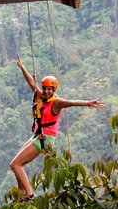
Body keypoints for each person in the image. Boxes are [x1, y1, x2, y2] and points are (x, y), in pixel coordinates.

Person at [10, 55, 105, 201]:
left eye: (50, 89)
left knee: (16, 164)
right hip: (38, 134)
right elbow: (32, 84)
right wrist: (23, 68)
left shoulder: (57, 102)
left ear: (54, 90)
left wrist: (88, 103)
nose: (47, 91)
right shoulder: (42, 97)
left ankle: (28, 195)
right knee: (16, 163)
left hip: (45, 138)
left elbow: (71, 102)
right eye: (45, 89)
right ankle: (21, 195)